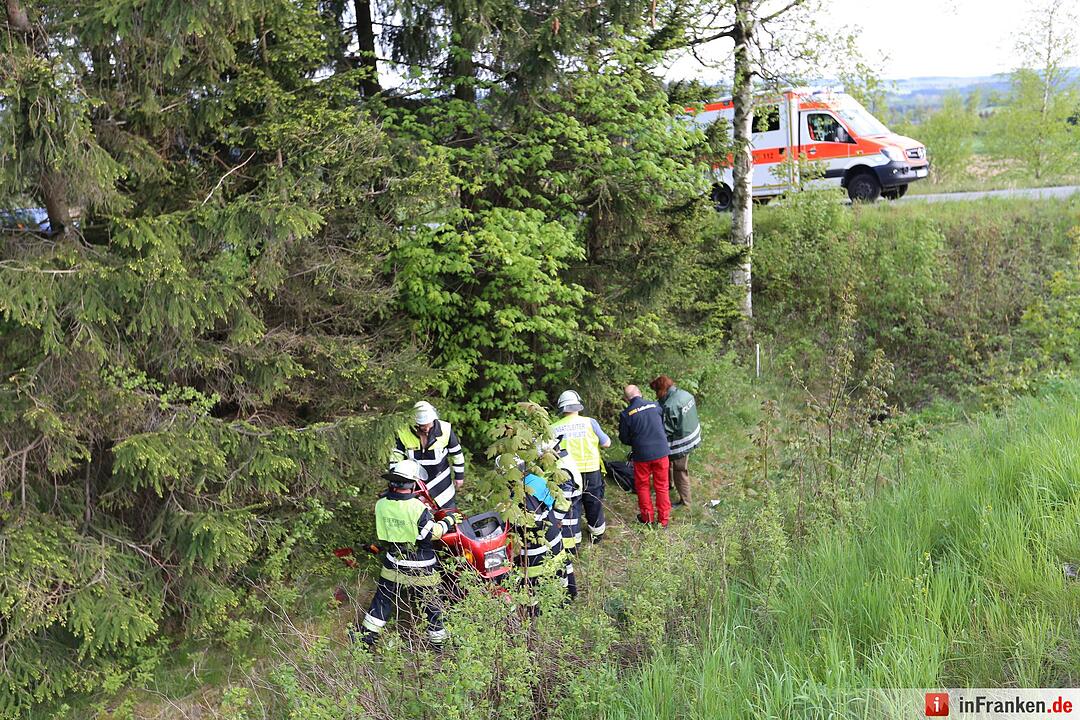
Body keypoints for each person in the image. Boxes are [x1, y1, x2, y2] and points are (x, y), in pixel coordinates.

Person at [359, 459, 463, 646]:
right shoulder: (417, 507)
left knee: (381, 603)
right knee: (433, 607)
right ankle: (439, 646)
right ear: (412, 483)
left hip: (394, 562)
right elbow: (433, 534)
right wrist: (449, 521)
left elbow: (387, 533)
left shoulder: (381, 504)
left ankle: (365, 641)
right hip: (421, 567)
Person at [497, 456, 568, 611]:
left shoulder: (517, 496)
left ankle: (532, 618)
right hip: (555, 539)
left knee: (529, 591)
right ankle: (563, 606)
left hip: (535, 551)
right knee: (560, 581)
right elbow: (558, 501)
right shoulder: (538, 480)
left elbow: (525, 523)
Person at [550, 390, 611, 544]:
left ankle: (573, 539)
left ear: (562, 408)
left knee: (571, 505)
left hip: (566, 474)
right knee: (593, 501)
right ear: (578, 405)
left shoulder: (553, 428)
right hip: (590, 470)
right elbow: (606, 443)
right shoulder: (590, 422)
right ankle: (596, 534)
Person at [390, 401, 466, 510]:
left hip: (441, 478)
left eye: (428, 425)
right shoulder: (403, 431)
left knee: (448, 511)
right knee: (417, 512)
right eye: (422, 425)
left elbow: (457, 453)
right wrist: (395, 477)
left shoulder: (445, 429)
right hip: (415, 480)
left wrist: (459, 476)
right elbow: (396, 456)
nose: (426, 428)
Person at [617, 385, 671, 527]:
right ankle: (663, 521)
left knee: (642, 486)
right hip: (661, 452)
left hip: (642, 455)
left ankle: (647, 518)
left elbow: (624, 439)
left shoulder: (626, 414)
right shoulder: (656, 405)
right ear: (640, 393)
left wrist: (636, 441)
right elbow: (662, 425)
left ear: (626, 398)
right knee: (662, 486)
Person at [650, 375, 701, 508]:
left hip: (681, 443)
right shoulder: (685, 394)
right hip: (693, 434)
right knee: (670, 463)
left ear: (661, 390)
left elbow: (667, 431)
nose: (656, 395)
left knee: (680, 470)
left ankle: (686, 502)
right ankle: (670, 484)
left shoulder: (669, 406)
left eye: (656, 392)